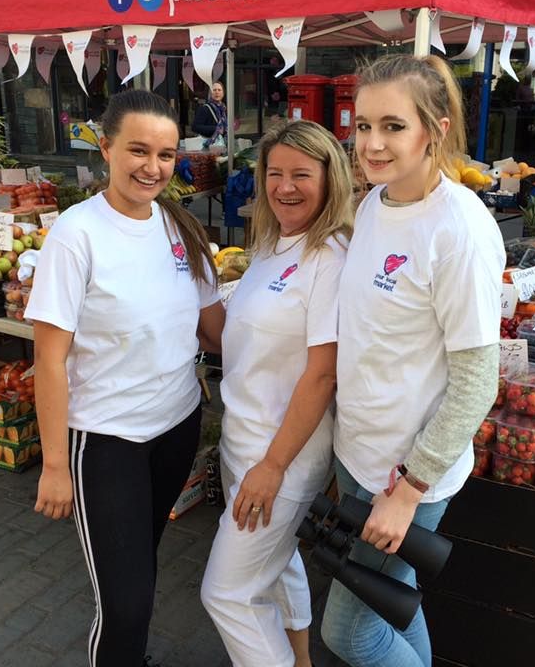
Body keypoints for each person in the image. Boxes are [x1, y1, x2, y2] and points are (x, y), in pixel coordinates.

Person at [25, 90, 225, 667]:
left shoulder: (181, 227)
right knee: (126, 604)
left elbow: (215, 333)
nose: (152, 167)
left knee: (142, 568)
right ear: (106, 147)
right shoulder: (75, 234)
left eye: (166, 155)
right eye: (138, 150)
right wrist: (56, 465)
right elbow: (50, 361)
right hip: (105, 442)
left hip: (177, 427)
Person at [320, 54, 506, 667]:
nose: (371, 144)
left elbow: (478, 382)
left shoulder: (460, 230)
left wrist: (408, 490)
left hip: (405, 476)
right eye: (363, 124)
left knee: (348, 633)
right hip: (359, 453)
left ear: (438, 129)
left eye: (393, 127)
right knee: (392, 598)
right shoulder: (376, 203)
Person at [201, 120, 354, 667]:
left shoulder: (331, 259)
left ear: (330, 178)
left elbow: (322, 375)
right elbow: (232, 340)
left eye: (301, 175)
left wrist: (272, 466)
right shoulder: (270, 243)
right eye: (275, 173)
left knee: (228, 594)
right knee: (279, 561)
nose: (285, 186)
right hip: (244, 441)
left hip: (280, 456)